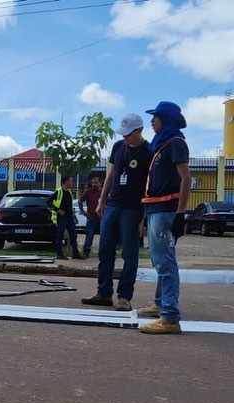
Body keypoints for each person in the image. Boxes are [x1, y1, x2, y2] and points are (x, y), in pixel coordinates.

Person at [81, 114, 153, 311]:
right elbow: (111, 175)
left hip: (133, 209)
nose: (125, 138)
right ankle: (104, 293)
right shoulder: (118, 147)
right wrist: (102, 201)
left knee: (130, 254)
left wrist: (143, 218)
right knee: (105, 250)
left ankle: (124, 297)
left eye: (129, 134)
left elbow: (149, 186)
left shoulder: (149, 151)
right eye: (123, 134)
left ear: (139, 131)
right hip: (113, 205)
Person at [137, 101, 192, 334]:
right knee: (159, 260)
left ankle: (170, 317)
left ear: (166, 119)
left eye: (156, 117)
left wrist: (180, 214)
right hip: (154, 209)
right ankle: (161, 305)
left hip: (167, 209)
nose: (152, 121)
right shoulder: (161, 145)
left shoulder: (175, 143)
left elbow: (186, 179)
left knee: (165, 261)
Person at [51, 175, 84, 260]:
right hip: (62, 217)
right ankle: (59, 254)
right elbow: (48, 202)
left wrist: (73, 212)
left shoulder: (69, 192)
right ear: (66, 182)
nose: (72, 183)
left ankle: (75, 253)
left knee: (73, 235)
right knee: (60, 235)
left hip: (70, 217)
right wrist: (58, 210)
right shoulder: (58, 192)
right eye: (71, 181)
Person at [77, 175, 102, 259]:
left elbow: (109, 201)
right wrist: (83, 212)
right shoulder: (88, 192)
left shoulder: (103, 192)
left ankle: (103, 253)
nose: (94, 184)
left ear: (100, 183)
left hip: (102, 218)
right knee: (89, 236)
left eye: (96, 183)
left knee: (105, 236)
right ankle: (86, 252)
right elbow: (80, 200)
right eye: (93, 183)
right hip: (91, 218)